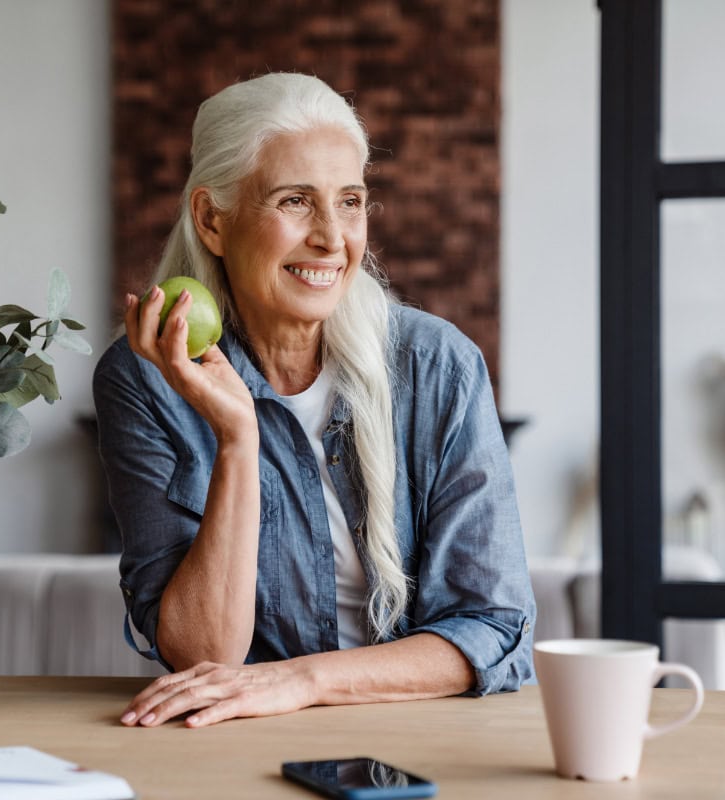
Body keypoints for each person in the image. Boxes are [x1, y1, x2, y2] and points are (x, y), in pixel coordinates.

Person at [93, 72, 535, 729]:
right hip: (242, 744)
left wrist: (301, 682)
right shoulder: (147, 378)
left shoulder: (438, 366)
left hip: (425, 729)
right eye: (296, 201)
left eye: (350, 201)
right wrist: (238, 438)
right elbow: (202, 653)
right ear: (213, 220)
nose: (333, 237)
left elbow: (494, 630)